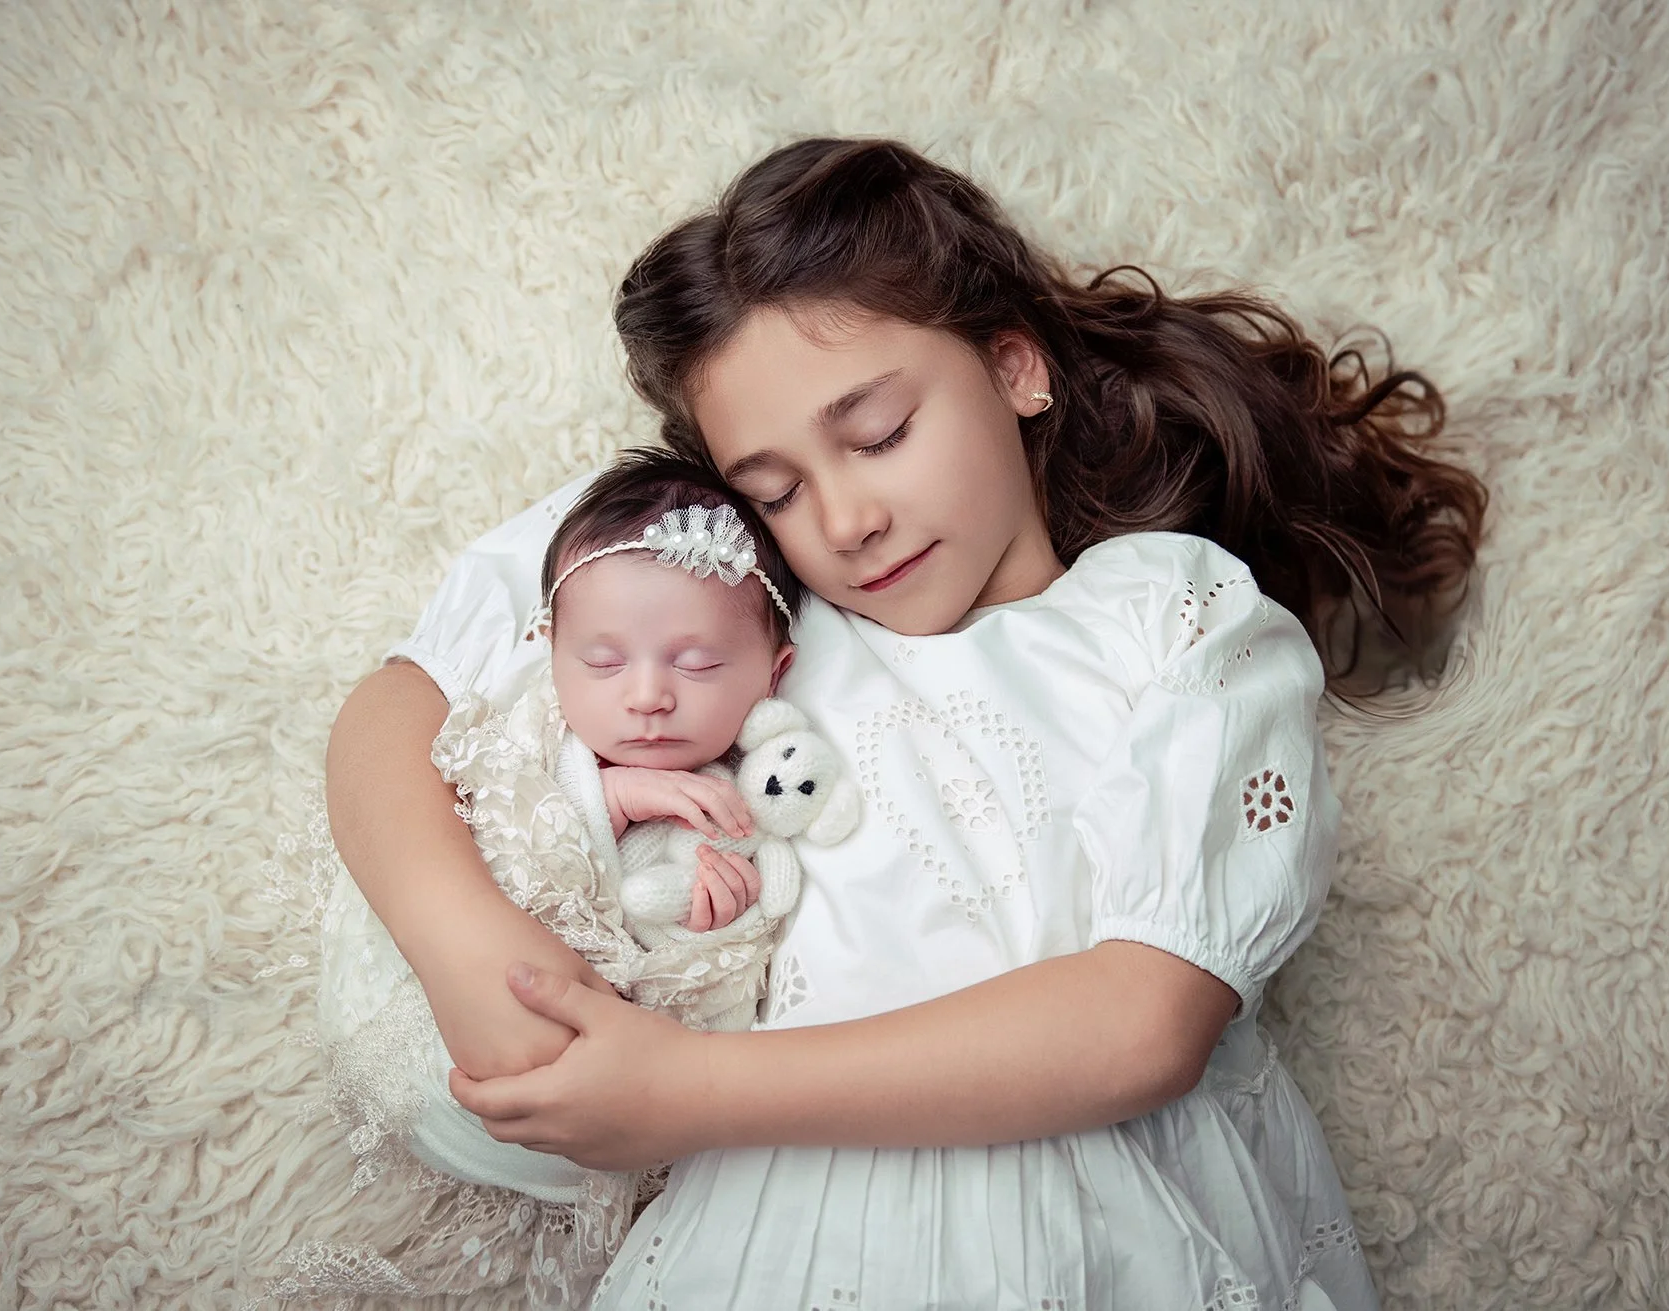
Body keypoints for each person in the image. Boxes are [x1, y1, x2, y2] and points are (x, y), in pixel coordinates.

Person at [326, 137, 1486, 1309]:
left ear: (1016, 368)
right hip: (782, 1238)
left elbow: (1145, 1021)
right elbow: (399, 703)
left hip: (1112, 1230)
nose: (843, 520)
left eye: (877, 434)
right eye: (774, 487)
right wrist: (462, 940)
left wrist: (688, 1091)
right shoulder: (730, 588)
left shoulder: (1173, 614)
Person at [312, 450, 810, 1302]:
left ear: (775, 672)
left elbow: (725, 984)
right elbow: (494, 816)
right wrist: (604, 798)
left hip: (602, 1108)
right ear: (551, 648)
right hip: (448, 1001)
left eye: (695, 664)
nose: (647, 695)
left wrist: (713, 919)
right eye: (603, 661)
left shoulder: (756, 793)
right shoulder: (535, 732)